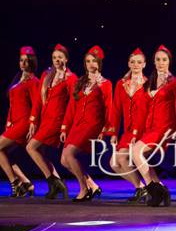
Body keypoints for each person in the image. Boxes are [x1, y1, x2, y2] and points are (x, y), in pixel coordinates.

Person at [131, 45, 176, 207]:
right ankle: (161, 189)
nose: (161, 63)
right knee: (141, 157)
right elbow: (142, 107)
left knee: (136, 152)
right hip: (151, 127)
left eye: (164, 60)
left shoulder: (175, 82)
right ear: (153, 62)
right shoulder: (150, 82)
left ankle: (154, 190)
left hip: (165, 127)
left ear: (169, 61)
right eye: (158, 60)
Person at [60, 46, 111, 201]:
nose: (90, 64)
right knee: (64, 160)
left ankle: (84, 188)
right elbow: (71, 106)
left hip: (92, 124)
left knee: (70, 154)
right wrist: (64, 127)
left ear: (99, 63)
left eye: (94, 61)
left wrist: (105, 128)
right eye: (88, 61)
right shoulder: (80, 82)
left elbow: (109, 107)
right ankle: (92, 185)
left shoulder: (105, 83)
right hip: (77, 124)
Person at [27, 44, 76, 199]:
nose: (57, 60)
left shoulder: (70, 78)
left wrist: (65, 126)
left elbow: (72, 104)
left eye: (60, 57)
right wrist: (33, 120)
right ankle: (55, 185)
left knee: (31, 147)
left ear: (66, 59)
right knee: (40, 152)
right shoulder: (46, 74)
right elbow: (38, 100)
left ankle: (54, 182)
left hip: (57, 120)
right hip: (44, 119)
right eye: (54, 57)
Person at [107, 48, 151, 203]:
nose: (136, 65)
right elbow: (116, 109)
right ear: (128, 64)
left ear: (144, 64)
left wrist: (137, 134)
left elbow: (148, 111)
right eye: (133, 62)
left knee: (121, 159)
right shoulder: (121, 84)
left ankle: (145, 188)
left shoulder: (148, 84)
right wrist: (113, 132)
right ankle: (141, 188)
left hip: (142, 130)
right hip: (127, 130)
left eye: (139, 62)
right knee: (114, 164)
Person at [0, 46, 39, 197]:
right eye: (21, 60)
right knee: (2, 152)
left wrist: (33, 122)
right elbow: (12, 104)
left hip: (24, 122)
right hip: (14, 122)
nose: (23, 63)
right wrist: (8, 122)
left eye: (26, 61)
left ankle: (15, 183)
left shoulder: (34, 81)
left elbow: (36, 104)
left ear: (31, 63)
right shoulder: (18, 79)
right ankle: (26, 183)